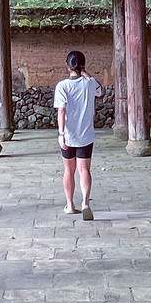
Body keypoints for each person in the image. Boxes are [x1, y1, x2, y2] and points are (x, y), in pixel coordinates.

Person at [54, 50, 102, 220]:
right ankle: (85, 204)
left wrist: (61, 134)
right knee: (84, 170)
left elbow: (61, 111)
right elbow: (100, 90)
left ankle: (70, 205)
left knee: (69, 170)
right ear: (83, 65)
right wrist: (85, 72)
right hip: (86, 135)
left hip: (68, 135)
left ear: (67, 66)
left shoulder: (62, 86)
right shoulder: (89, 83)